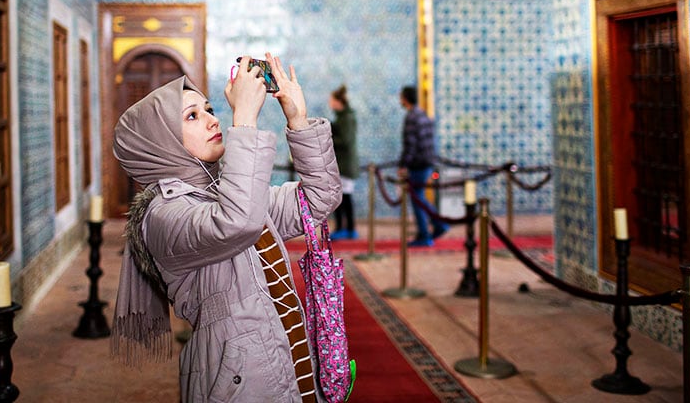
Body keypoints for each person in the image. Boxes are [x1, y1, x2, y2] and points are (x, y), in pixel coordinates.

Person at [111, 53, 341, 403]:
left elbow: (319, 199)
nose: (210, 120)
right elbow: (236, 224)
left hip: (287, 358)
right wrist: (244, 118)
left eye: (209, 110)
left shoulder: (226, 192)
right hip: (239, 382)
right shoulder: (162, 216)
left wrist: (299, 121)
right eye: (192, 116)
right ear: (161, 141)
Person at [398, 85, 448, 247]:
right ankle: (438, 224)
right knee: (420, 197)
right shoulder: (423, 114)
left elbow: (411, 144)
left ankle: (424, 235)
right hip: (427, 161)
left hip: (418, 163)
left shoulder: (412, 117)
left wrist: (404, 164)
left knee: (417, 198)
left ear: (405, 98)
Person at [328, 85, 359, 241]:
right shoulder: (343, 117)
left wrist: (329, 138)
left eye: (331, 100)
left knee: (343, 198)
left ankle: (346, 229)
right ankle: (345, 228)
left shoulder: (346, 118)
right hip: (343, 164)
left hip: (345, 165)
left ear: (338, 101)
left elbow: (346, 141)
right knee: (342, 198)